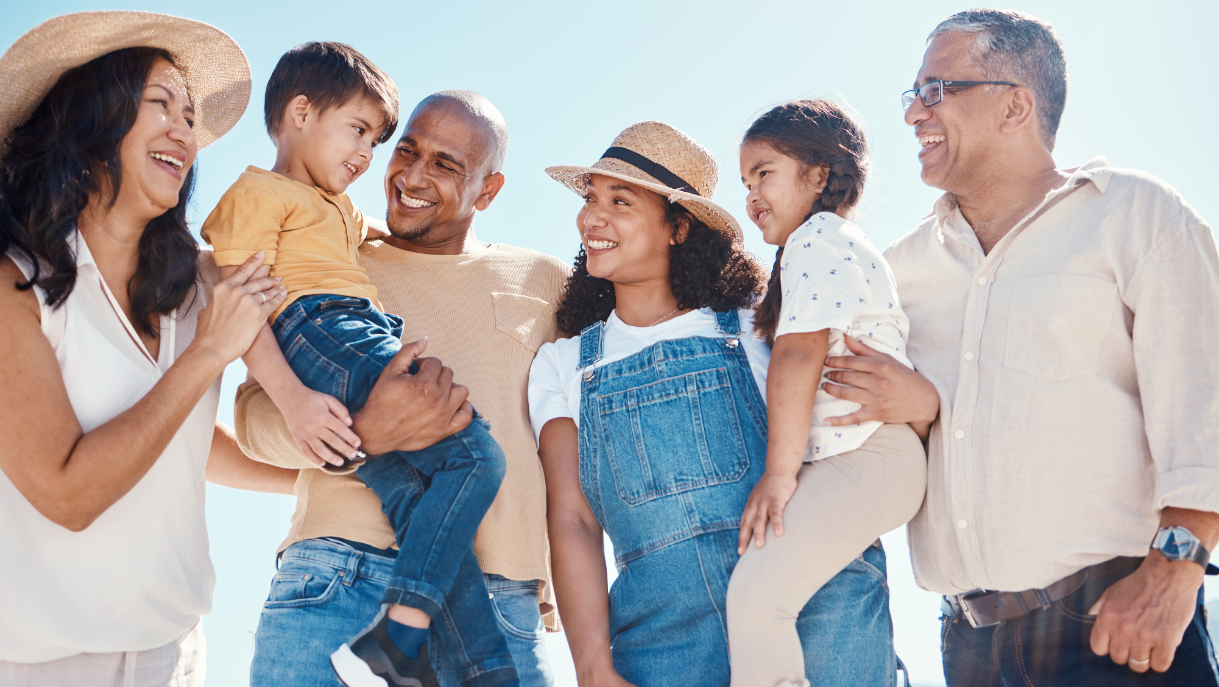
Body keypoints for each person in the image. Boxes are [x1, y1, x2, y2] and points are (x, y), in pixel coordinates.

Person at [821, 8, 1219, 686]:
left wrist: (1174, 572)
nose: (914, 114)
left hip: (1113, 631)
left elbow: (1202, 399)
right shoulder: (893, 271)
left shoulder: (1134, 213)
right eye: (913, 94)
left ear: (1014, 105)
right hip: (967, 649)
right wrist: (923, 408)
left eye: (935, 90)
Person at [531, 121, 901, 687]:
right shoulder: (562, 365)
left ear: (678, 228)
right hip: (662, 640)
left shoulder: (762, 325)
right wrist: (592, 667)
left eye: (620, 201)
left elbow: (861, 411)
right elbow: (573, 521)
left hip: (813, 609)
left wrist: (921, 398)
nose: (592, 219)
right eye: (590, 199)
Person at [201, 45, 518, 687]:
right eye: (360, 131)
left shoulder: (335, 208)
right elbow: (238, 301)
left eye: (376, 140)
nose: (369, 155)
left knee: (416, 499)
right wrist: (291, 397)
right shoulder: (259, 193)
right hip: (323, 329)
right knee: (477, 458)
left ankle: (466, 663)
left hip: (351, 335)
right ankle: (398, 640)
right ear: (299, 113)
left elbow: (382, 230)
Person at [0, 11, 297, 687]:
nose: (185, 132)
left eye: (190, 116)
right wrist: (208, 354)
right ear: (89, 123)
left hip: (176, 654)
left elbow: (181, 436)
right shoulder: (16, 285)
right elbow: (67, 493)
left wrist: (315, 478)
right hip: (39, 664)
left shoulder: (199, 282)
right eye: (161, 104)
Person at [727, 100, 927, 687]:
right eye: (745, 183)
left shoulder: (817, 240)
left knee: (757, 598)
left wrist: (779, 474)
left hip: (867, 456)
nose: (751, 194)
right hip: (865, 457)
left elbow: (798, 356)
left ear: (818, 175)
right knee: (767, 595)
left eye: (764, 173)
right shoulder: (821, 245)